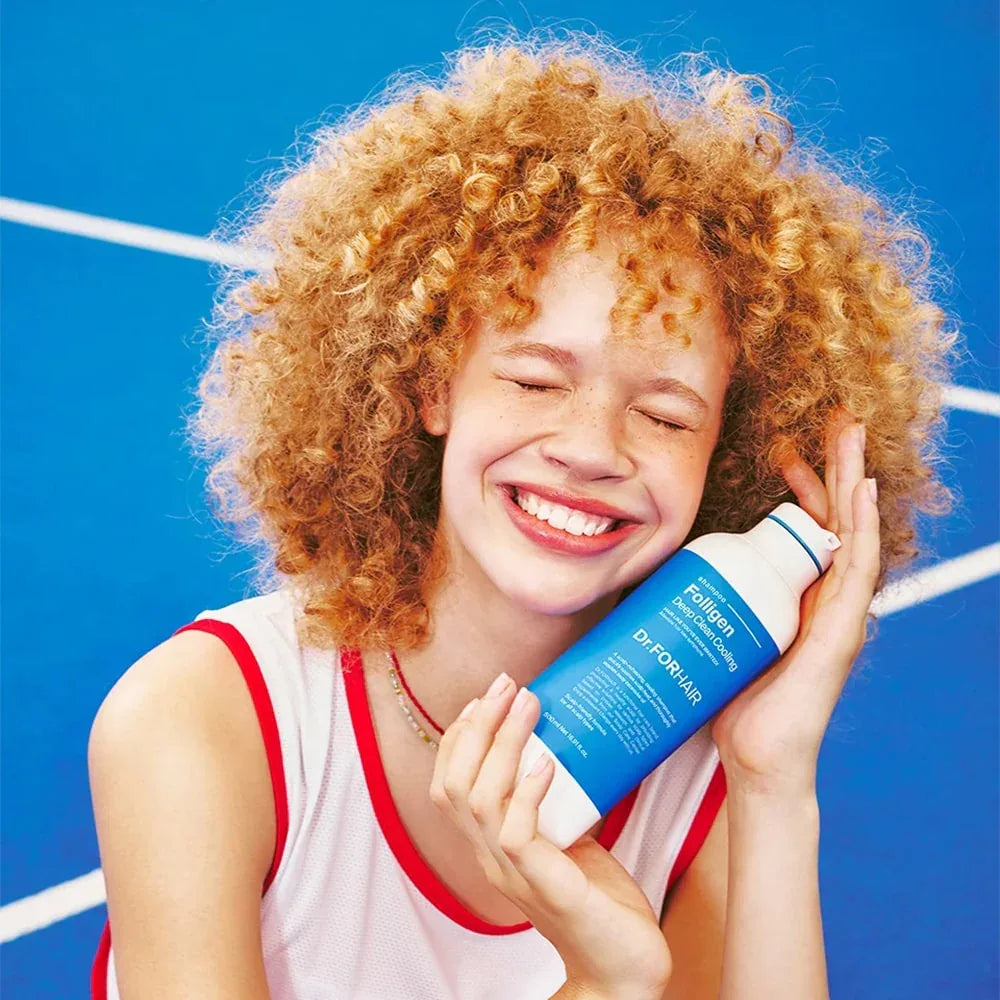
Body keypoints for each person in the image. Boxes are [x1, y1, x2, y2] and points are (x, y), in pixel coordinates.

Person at [87, 31, 959, 1000]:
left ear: (725, 458)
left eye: (666, 415)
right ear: (431, 387)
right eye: (536, 379)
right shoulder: (206, 718)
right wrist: (604, 984)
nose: (591, 448)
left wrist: (773, 782)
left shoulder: (705, 770)